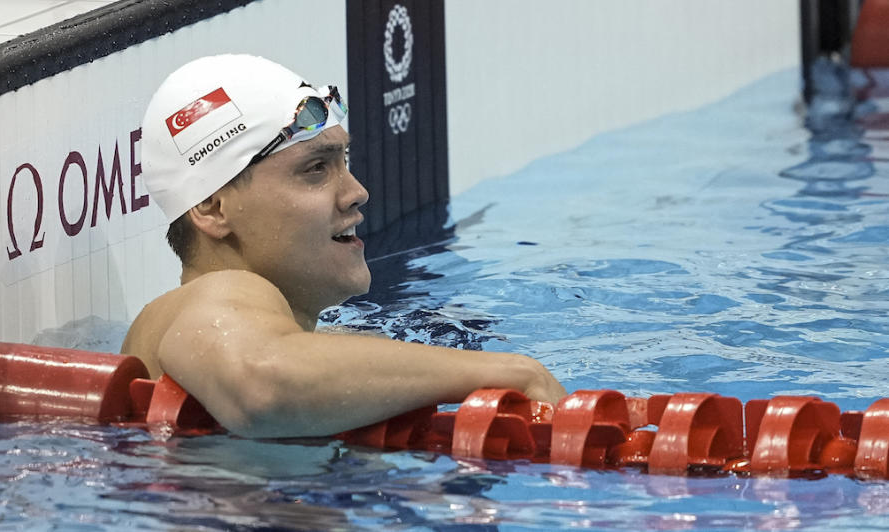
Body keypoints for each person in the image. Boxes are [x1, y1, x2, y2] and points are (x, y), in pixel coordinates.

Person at [122, 54, 565, 438]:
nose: (356, 192)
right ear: (213, 209)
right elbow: (261, 384)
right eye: (315, 169)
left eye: (344, 163)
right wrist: (514, 372)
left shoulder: (311, 342)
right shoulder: (217, 295)